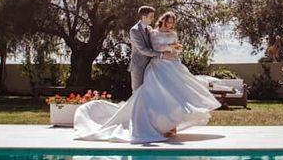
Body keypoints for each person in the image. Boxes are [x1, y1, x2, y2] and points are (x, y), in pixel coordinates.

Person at [74, 10, 222, 143]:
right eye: (168, 22)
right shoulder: (152, 33)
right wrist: (166, 52)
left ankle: (171, 125)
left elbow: (174, 47)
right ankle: (148, 124)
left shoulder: (170, 34)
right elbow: (150, 49)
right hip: (157, 65)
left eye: (172, 23)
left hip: (173, 65)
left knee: (176, 94)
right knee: (152, 96)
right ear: (162, 20)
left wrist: (175, 49)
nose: (170, 25)